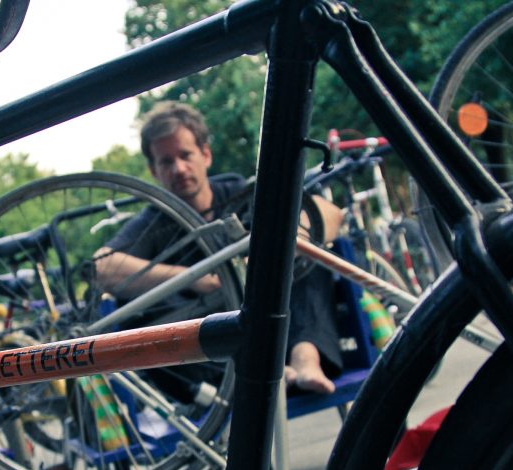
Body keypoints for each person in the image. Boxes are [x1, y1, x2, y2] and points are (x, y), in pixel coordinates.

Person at [94, 101, 343, 394]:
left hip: (276, 330)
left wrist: (265, 260)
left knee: (306, 255)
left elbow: (330, 213)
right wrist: (192, 278)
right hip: (219, 361)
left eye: (186, 155)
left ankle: (305, 359)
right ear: (153, 171)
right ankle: (271, 373)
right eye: (166, 161)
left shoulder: (240, 191)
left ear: (206, 155)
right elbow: (101, 268)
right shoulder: (153, 222)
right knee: (137, 315)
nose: (179, 168)